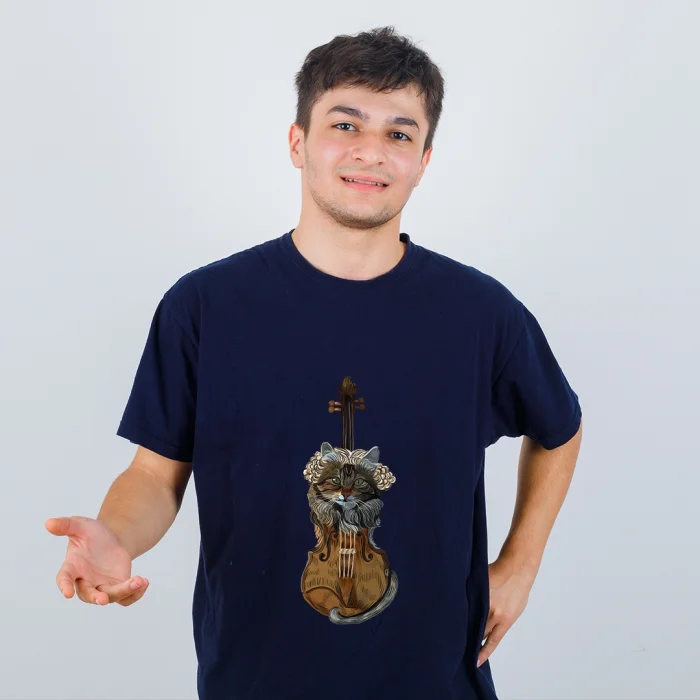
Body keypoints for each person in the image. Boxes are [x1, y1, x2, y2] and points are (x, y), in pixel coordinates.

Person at [45, 25, 583, 700]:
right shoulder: (204, 307)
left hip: (435, 682)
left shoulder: (481, 313)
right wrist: (116, 536)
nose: (371, 151)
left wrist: (520, 565)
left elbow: (559, 429)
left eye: (399, 133)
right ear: (297, 142)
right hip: (253, 680)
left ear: (423, 160)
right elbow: (154, 475)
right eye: (345, 124)